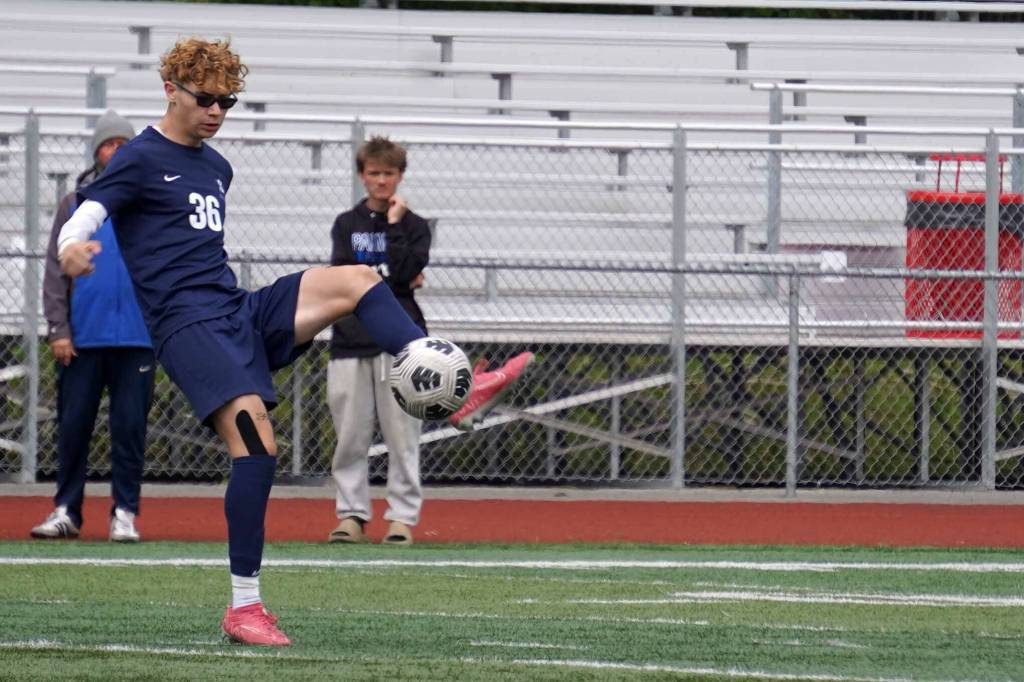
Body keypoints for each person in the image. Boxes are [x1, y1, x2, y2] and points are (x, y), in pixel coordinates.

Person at [56, 38, 527, 648]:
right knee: (257, 446)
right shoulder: (141, 157)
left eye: (228, 100)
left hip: (235, 309)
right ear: (170, 89)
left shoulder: (218, 166)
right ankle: (244, 608)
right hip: (187, 327)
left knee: (359, 280)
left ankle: (444, 387)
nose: (217, 110)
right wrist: (72, 246)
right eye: (206, 99)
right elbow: (89, 211)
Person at [31, 110, 154, 544]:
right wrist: (59, 329)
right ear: (97, 151)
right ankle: (66, 510)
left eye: (125, 143)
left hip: (138, 339)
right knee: (73, 426)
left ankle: (125, 512)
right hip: (82, 339)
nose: (117, 150)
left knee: (129, 430)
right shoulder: (75, 203)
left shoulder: (147, 202)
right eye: (109, 144)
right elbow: (54, 271)